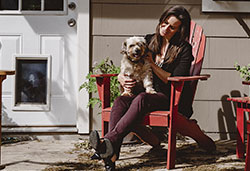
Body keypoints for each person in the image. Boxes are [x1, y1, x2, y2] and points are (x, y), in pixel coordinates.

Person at [89, 5, 216, 171]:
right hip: (145, 94)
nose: (165, 28)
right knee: (120, 100)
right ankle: (111, 156)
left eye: (172, 27)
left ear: (180, 30)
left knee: (141, 98)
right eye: (164, 23)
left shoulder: (184, 49)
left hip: (169, 97)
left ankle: (107, 141)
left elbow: (172, 79)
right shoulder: (149, 40)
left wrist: (152, 63)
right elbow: (128, 61)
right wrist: (121, 77)